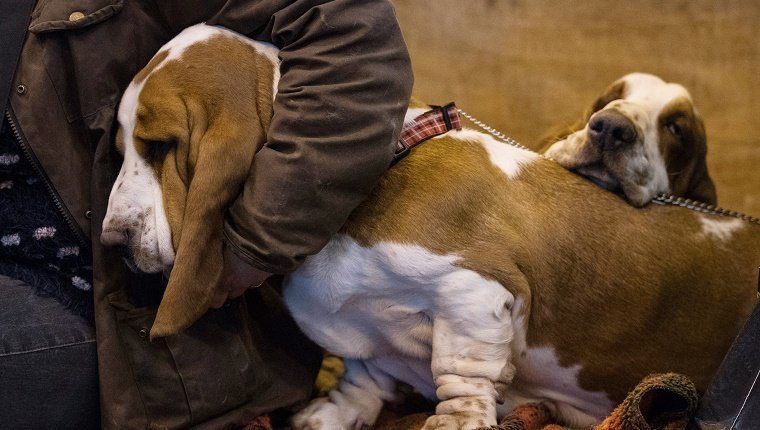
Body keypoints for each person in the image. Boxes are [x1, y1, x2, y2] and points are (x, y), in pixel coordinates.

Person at [0, 1, 413, 428]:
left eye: (159, 145)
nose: (113, 226)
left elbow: (354, 46)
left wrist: (250, 244)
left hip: (114, 307)